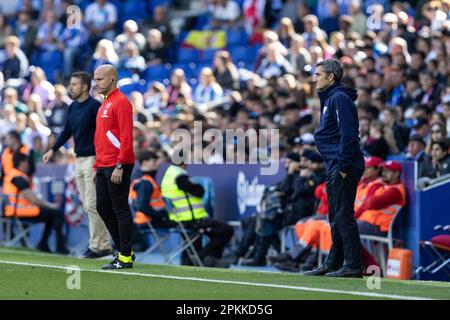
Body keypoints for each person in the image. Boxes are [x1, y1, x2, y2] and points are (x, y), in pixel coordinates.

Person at [43, 71, 113, 259]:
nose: (70, 87)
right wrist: (53, 149)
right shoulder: (73, 107)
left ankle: (100, 246)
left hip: (93, 159)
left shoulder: (94, 107)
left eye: (74, 84)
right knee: (87, 205)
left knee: (92, 204)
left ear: (84, 86)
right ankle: (101, 245)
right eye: (71, 84)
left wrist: (101, 160)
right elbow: (67, 131)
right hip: (79, 159)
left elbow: (104, 134)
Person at [308, 59, 365, 278]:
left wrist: (342, 166)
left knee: (343, 215)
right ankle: (333, 262)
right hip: (336, 164)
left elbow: (348, 135)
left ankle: (352, 265)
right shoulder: (331, 99)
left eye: (319, 75)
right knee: (335, 215)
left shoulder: (339, 98)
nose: (315, 79)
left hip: (344, 165)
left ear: (331, 77)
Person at [92, 65, 135, 269]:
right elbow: (102, 138)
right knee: (102, 207)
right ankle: (125, 250)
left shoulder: (121, 102)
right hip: (103, 164)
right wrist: (96, 166)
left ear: (112, 80)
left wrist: (120, 164)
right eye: (95, 79)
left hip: (117, 163)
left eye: (100, 79)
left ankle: (125, 256)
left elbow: (127, 137)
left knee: (120, 208)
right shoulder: (105, 104)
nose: (96, 83)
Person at [160, 159, 234, 268]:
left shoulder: (168, 175)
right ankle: (203, 257)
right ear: (182, 163)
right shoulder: (179, 176)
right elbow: (199, 192)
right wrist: (198, 186)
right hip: (193, 219)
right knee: (226, 230)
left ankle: (199, 260)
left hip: (180, 218)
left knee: (193, 243)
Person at [3, 152, 68, 254]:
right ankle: (60, 248)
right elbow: (33, 199)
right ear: (21, 163)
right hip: (21, 212)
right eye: (26, 162)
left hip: (14, 211)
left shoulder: (12, 175)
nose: (28, 165)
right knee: (57, 214)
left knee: (52, 215)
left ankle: (43, 243)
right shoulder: (19, 178)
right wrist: (51, 206)